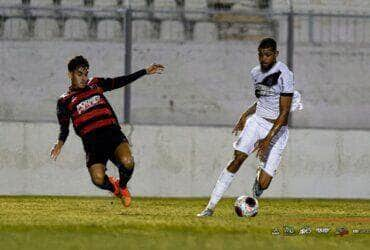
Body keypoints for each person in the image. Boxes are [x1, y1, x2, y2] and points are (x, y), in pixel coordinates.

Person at [197, 38, 302, 217]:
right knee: (237, 159)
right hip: (257, 121)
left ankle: (260, 176)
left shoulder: (285, 74)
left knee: (264, 183)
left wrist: (267, 139)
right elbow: (264, 99)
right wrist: (244, 115)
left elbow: (284, 113)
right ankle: (210, 207)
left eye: (268, 54)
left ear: (276, 54)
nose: (263, 58)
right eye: (260, 54)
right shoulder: (255, 73)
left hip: (278, 129)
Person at [50, 55, 164, 207]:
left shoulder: (95, 84)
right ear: (70, 74)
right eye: (79, 74)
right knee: (97, 178)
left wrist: (144, 71)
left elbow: (119, 81)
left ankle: (123, 186)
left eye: (86, 74)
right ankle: (114, 188)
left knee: (128, 162)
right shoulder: (64, 100)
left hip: (111, 133)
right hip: (92, 143)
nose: (84, 78)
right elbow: (64, 127)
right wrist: (59, 143)